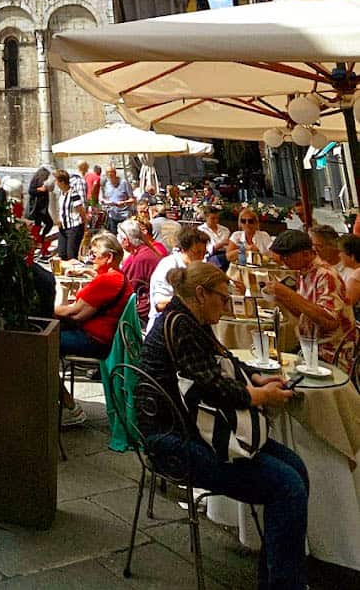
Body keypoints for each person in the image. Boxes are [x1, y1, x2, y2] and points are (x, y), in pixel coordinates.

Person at [137, 261, 308, 590]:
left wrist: (256, 377)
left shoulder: (189, 319)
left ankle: (279, 575)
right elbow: (213, 388)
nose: (227, 305)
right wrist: (261, 395)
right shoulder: (181, 325)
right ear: (201, 294)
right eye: (223, 298)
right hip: (172, 441)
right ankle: (284, 582)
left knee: (296, 468)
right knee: (288, 485)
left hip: (192, 429)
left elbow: (225, 361)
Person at [54, 232, 132, 427]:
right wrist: (88, 273)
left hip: (94, 340)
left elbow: (75, 314)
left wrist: (49, 306)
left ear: (109, 257)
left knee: (39, 347)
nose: (90, 258)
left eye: (94, 254)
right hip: (105, 338)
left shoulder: (107, 281)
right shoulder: (118, 277)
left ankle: (70, 408)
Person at [267, 228, 355, 368]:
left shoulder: (326, 275)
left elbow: (330, 321)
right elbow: (302, 313)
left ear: (306, 254)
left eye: (287, 256)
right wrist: (281, 297)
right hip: (310, 347)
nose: (283, 261)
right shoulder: (304, 273)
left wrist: (289, 294)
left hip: (331, 352)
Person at [147, 227, 209, 331]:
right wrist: (192, 301)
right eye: (197, 252)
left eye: (204, 253)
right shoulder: (168, 266)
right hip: (166, 326)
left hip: (189, 323)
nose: (201, 258)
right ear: (183, 249)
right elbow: (160, 304)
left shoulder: (199, 266)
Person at [117, 218, 166, 324]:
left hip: (142, 314)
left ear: (126, 241)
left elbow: (126, 288)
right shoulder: (142, 252)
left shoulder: (140, 259)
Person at [54, 168, 86, 262]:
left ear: (62, 182)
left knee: (71, 254)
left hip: (74, 227)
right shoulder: (61, 193)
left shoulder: (73, 194)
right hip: (63, 227)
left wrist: (85, 224)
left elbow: (80, 210)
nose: (56, 183)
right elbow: (61, 209)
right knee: (62, 253)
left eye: (57, 181)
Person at [100, 165, 135, 232]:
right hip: (112, 216)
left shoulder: (124, 183)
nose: (110, 174)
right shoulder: (107, 184)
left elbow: (132, 199)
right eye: (108, 172)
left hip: (124, 216)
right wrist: (103, 201)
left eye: (111, 172)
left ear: (115, 173)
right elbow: (105, 198)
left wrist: (124, 203)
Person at [27, 166, 52, 237]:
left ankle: (39, 237)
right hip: (38, 208)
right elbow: (31, 191)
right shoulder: (35, 182)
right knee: (48, 223)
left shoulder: (43, 183)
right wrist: (40, 190)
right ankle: (40, 237)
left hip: (42, 208)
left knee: (39, 224)